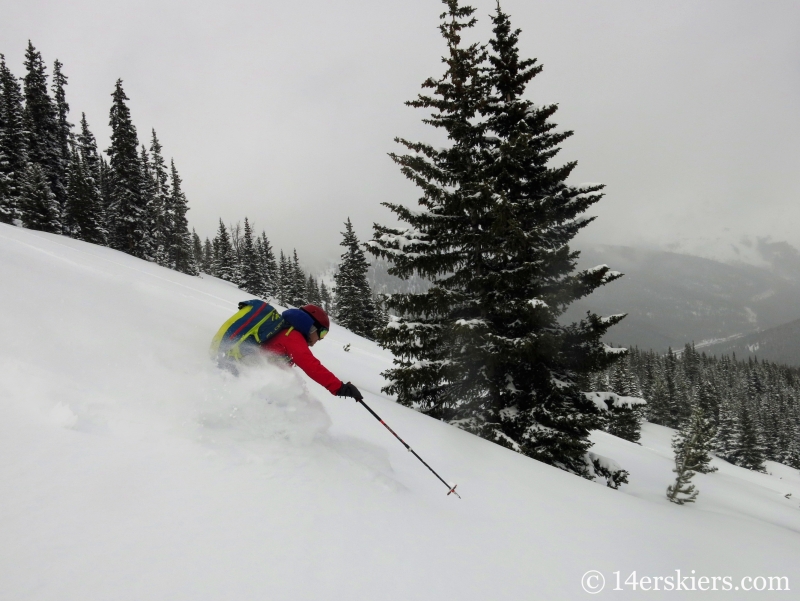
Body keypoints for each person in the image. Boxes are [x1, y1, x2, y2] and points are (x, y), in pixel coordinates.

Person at [261, 304, 362, 401]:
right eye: (322, 333)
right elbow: (311, 366)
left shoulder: (287, 333)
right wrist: (340, 387)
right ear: (312, 327)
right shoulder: (292, 337)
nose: (320, 339)